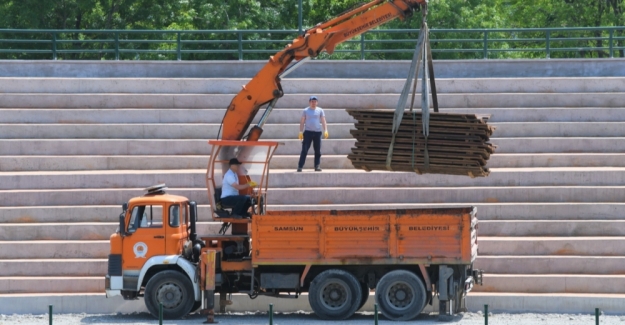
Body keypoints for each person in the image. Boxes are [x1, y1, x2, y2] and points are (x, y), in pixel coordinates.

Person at [297, 95, 329, 172]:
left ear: (317, 102)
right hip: (308, 132)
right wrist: (301, 131)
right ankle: (300, 166)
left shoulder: (320, 110)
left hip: (317, 133)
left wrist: (326, 130)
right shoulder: (305, 110)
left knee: (318, 150)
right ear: (309, 102)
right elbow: (302, 121)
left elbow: (323, 120)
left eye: (315, 101)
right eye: (312, 101)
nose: (313, 103)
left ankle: (317, 166)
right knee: (304, 150)